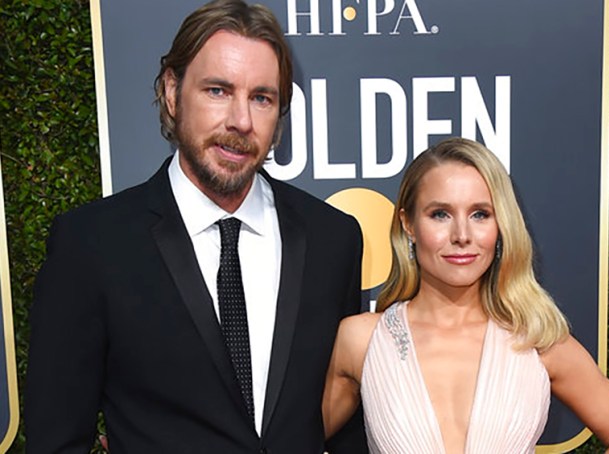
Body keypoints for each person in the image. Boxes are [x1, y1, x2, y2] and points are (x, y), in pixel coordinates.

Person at [25, 0, 368, 452]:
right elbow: (56, 440)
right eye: (218, 91)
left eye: (261, 98)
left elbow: (346, 426)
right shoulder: (91, 247)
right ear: (172, 91)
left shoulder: (333, 239)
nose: (241, 121)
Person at [322, 137, 609, 453]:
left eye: (480, 214)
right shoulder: (361, 340)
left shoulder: (536, 339)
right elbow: (291, 439)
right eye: (440, 214)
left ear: (501, 224)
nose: (462, 235)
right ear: (408, 224)